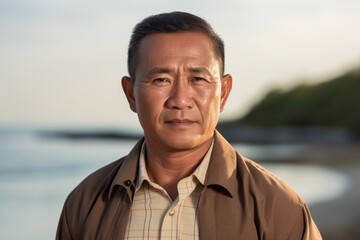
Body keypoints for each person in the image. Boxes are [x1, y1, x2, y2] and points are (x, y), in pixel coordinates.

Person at [56, 11, 322, 240]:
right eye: (161, 79)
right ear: (131, 94)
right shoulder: (85, 204)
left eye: (198, 79)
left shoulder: (279, 207)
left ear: (224, 93)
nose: (180, 100)